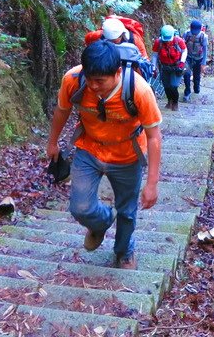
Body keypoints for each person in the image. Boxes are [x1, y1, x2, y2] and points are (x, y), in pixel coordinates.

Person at [47, 40, 162, 271]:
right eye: (89, 79)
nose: (93, 86)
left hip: (127, 155)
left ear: (117, 72)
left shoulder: (138, 91)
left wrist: (152, 183)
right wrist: (52, 142)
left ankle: (123, 252)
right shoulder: (73, 80)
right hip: (89, 149)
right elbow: (62, 110)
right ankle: (101, 222)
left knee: (127, 212)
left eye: (100, 81)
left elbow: (154, 137)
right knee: (80, 208)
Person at [152, 25, 187, 110]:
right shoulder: (158, 42)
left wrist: (182, 62)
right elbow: (154, 55)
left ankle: (175, 102)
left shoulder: (179, 41)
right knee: (166, 86)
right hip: (164, 67)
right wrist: (153, 68)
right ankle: (169, 101)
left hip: (176, 67)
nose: (167, 41)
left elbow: (184, 51)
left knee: (174, 86)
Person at [182, 19, 207, 101]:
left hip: (198, 58)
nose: (194, 32)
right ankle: (187, 91)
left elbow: (205, 50)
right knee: (186, 74)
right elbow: (182, 46)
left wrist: (203, 63)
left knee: (196, 76)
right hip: (188, 57)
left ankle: (196, 87)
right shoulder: (186, 34)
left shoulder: (203, 36)